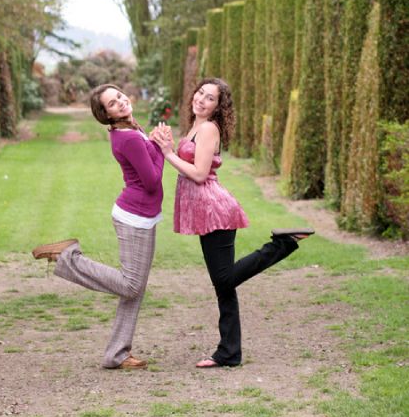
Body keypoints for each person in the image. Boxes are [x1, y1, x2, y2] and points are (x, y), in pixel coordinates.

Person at [152, 77, 314, 369]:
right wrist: (166, 146)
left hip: (214, 210)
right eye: (200, 93)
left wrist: (168, 153)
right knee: (224, 286)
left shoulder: (208, 129)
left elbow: (200, 174)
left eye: (210, 98)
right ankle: (229, 352)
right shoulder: (196, 126)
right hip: (205, 211)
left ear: (218, 107)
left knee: (224, 280)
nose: (201, 99)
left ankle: (282, 244)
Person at [32, 84, 164, 370]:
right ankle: (68, 257)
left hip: (143, 215)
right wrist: (162, 149)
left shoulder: (129, 130)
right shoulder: (127, 138)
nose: (120, 102)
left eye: (119, 96)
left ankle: (117, 354)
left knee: (135, 289)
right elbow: (152, 182)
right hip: (135, 217)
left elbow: (148, 170)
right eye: (112, 103)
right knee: (131, 285)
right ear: (106, 115)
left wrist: (154, 144)